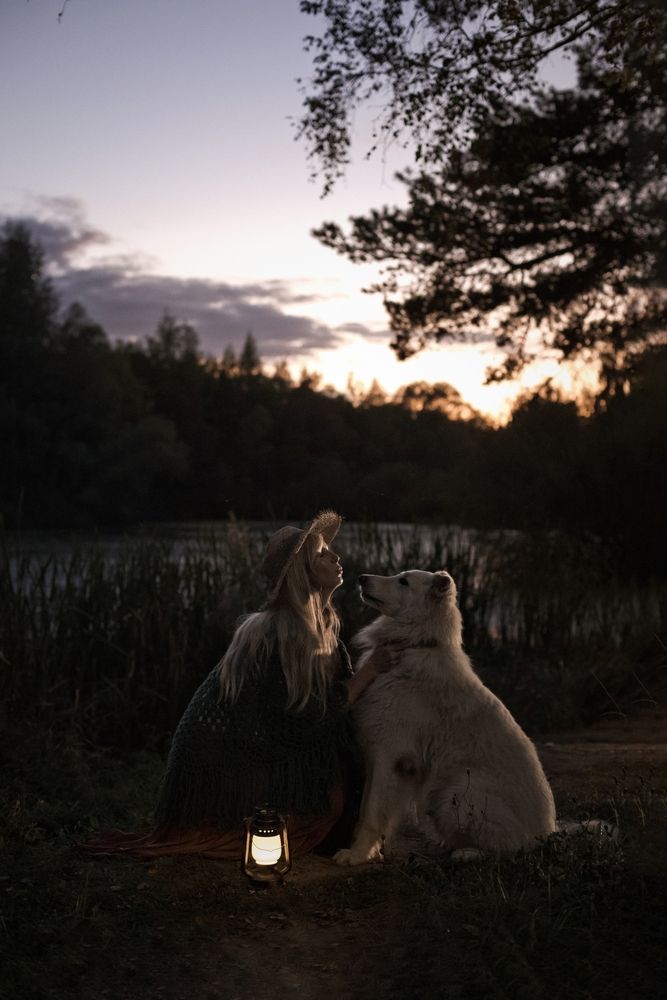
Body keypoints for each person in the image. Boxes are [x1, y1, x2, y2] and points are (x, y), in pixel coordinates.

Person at [80, 510, 388, 859]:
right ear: (302, 574)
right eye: (321, 554)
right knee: (324, 807)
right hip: (231, 765)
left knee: (338, 791)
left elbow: (326, 713)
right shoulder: (274, 633)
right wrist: (370, 671)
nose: (335, 557)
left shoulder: (320, 629)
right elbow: (297, 721)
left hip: (265, 755)